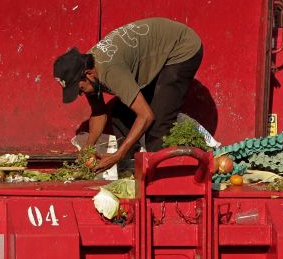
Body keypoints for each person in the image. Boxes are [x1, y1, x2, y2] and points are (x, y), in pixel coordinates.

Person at [52, 18, 203, 172]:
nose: (80, 95)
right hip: (155, 52)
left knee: (158, 126)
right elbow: (99, 112)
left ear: (88, 74)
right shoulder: (87, 69)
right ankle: (130, 172)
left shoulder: (110, 71)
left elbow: (146, 116)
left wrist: (117, 155)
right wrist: (87, 149)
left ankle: (160, 185)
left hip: (181, 48)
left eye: (80, 90)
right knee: (120, 115)